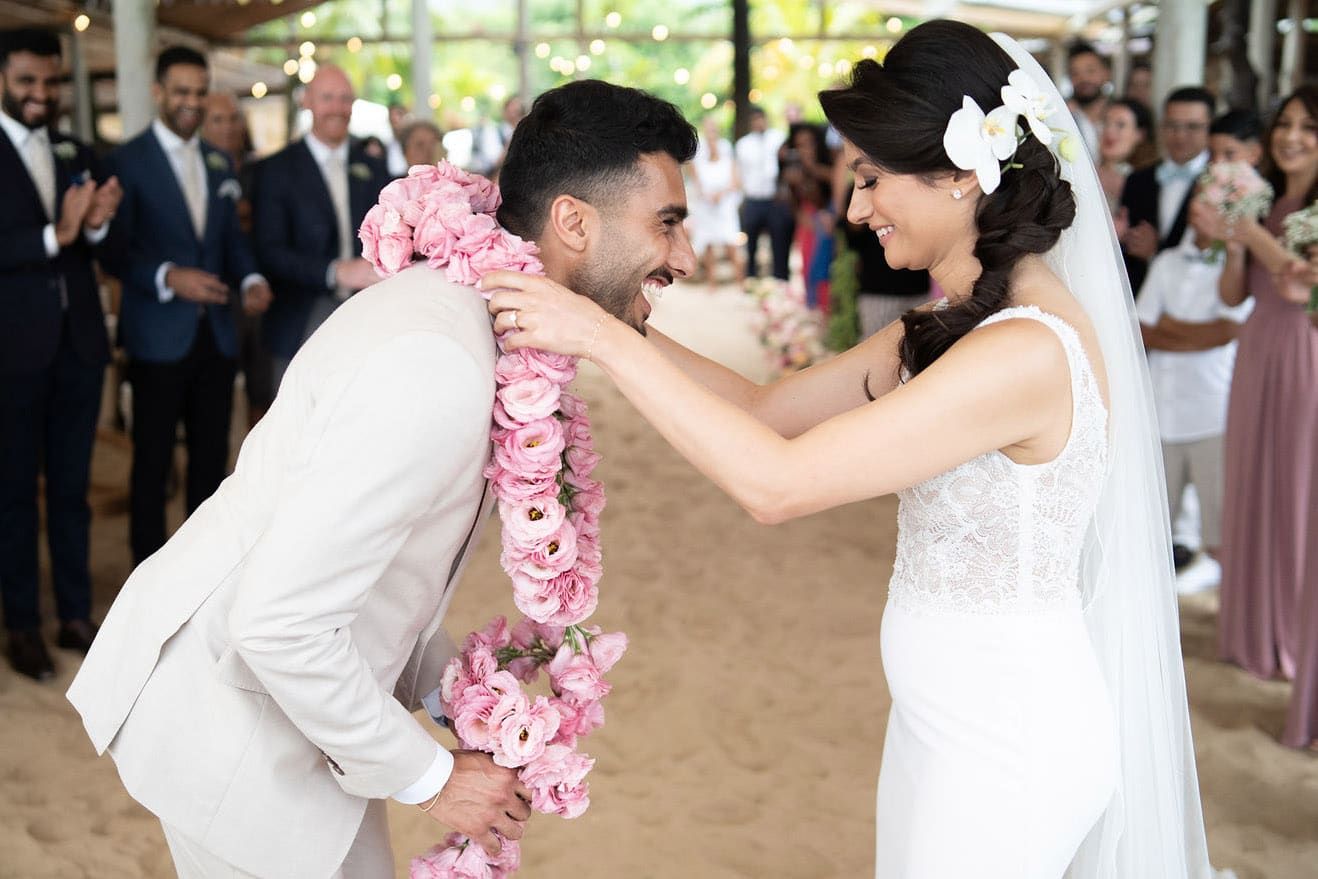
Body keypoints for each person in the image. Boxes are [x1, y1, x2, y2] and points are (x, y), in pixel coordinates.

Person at [486, 20, 1218, 878]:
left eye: (872, 177)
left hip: (1010, 742)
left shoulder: (1026, 351)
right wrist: (606, 312)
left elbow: (777, 483)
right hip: (944, 723)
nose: (855, 205)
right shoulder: (947, 328)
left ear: (958, 174)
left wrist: (602, 344)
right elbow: (767, 410)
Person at [66, 77, 698, 877]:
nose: (684, 255)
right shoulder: (437, 362)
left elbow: (378, 579)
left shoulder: (471, 320)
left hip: (307, 717)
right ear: (573, 221)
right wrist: (439, 779)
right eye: (667, 223)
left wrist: (465, 699)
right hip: (233, 733)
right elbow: (279, 622)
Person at [101, 46, 272, 567]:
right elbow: (113, 253)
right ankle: (145, 582)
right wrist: (167, 277)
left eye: (199, 92)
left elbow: (231, 243)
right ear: (158, 92)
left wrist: (251, 277)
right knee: (151, 466)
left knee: (210, 465)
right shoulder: (126, 162)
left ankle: (198, 576)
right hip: (156, 337)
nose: (191, 103)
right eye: (181, 92)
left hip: (216, 337)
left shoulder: (219, 161)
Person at [1191, 87, 1318, 750]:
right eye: (1286, 125)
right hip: (1258, 348)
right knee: (1253, 483)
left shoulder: (1300, 213)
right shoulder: (1268, 200)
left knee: (1296, 492)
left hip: (1305, 355)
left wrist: (1254, 235)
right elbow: (1234, 293)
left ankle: (1293, 635)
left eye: (1308, 127)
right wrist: (1235, 243)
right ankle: (1249, 630)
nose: (1292, 137)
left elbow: (1307, 284)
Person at [0, 27, 121, 679]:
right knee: (16, 493)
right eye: (27, 81)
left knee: (71, 489)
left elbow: (98, 244)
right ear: (3, 80)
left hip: (78, 346)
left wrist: (97, 221)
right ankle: (22, 623)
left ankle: (75, 613)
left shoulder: (77, 148)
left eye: (49, 81)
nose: (41, 94)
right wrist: (59, 231)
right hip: (13, 352)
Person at [251, 64, 391, 390]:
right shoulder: (276, 169)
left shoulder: (373, 167)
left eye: (345, 99)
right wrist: (334, 271)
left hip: (367, 314)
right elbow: (269, 250)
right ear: (307, 102)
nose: (337, 108)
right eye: (328, 98)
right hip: (300, 317)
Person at [1136, 222, 1253, 592]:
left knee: (1220, 525)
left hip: (1212, 411)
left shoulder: (1237, 267)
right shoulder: (1167, 261)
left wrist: (1171, 327)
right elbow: (1142, 328)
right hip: (1160, 409)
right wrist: (1202, 333)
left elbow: (1230, 331)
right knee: (1154, 523)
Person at [201, 91, 273, 427]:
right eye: (218, 120)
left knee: (261, 386)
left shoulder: (261, 170)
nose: (228, 128)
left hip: (258, 283)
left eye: (233, 119)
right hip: (215, 291)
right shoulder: (198, 168)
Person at [1118, 86, 1214, 295]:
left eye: (1192, 127)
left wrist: (1156, 251)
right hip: (1139, 297)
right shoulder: (1137, 180)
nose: (1180, 135)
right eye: (1172, 125)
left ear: (1210, 129)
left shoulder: (1218, 181)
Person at [735, 105, 793, 282]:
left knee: (779, 241)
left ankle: (780, 280)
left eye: (761, 118)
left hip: (775, 199)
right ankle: (751, 278)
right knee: (750, 243)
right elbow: (740, 172)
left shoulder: (778, 138)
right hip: (753, 199)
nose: (758, 122)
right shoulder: (743, 144)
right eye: (755, 120)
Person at [687, 115, 744, 285]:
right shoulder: (699, 153)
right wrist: (705, 195)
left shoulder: (727, 151)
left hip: (724, 206)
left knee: (731, 242)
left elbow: (735, 182)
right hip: (706, 206)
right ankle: (712, 282)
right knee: (708, 244)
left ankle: (741, 281)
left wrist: (721, 194)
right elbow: (695, 178)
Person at [1097, 98, 1154, 213]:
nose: (1109, 130)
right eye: (1106, 123)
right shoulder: (1083, 169)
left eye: (1120, 125)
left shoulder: (1149, 182)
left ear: (1140, 134)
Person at [1067, 40, 1112, 158]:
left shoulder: (1121, 116)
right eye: (1075, 73)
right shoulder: (1064, 117)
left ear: (1107, 74)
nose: (1083, 79)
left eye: (1090, 71)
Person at [384, 101, 409, 176]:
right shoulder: (386, 146)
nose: (395, 119)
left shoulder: (413, 145)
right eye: (391, 116)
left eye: (399, 114)